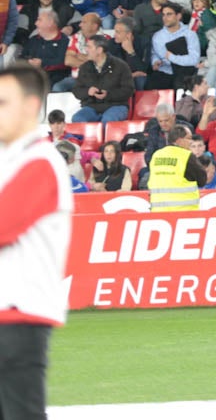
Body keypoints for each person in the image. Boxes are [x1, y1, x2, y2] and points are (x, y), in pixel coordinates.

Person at [0, 64, 73, 417]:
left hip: (18, 315)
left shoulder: (40, 161)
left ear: (30, 106)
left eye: (3, 102)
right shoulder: (12, 159)